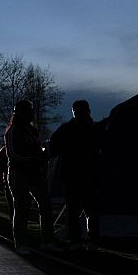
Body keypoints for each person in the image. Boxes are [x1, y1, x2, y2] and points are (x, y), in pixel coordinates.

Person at [4, 99, 59, 255]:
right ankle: (20, 243)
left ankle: (47, 241)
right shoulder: (12, 130)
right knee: (21, 208)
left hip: (34, 172)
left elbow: (36, 149)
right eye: (28, 111)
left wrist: (42, 157)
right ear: (20, 113)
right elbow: (13, 154)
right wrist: (34, 159)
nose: (31, 114)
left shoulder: (32, 130)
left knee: (45, 204)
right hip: (18, 173)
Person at [49, 99, 102, 250]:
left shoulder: (66, 129)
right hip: (90, 175)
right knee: (91, 210)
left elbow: (53, 148)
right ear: (88, 111)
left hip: (71, 175)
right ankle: (93, 240)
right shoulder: (94, 128)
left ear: (74, 112)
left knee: (73, 210)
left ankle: (75, 241)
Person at [0, 144, 13, 220]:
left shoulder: (5, 150)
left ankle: (15, 226)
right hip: (13, 181)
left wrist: (0, 183)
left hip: (9, 181)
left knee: (13, 206)